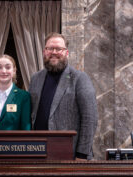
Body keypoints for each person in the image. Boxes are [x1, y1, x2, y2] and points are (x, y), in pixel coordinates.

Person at [29, 32, 98, 160]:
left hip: (70, 155)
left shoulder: (79, 78)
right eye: (50, 48)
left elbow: (90, 118)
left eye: (58, 49)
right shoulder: (35, 79)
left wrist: (81, 154)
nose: (54, 52)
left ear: (66, 53)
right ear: (44, 52)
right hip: (38, 153)